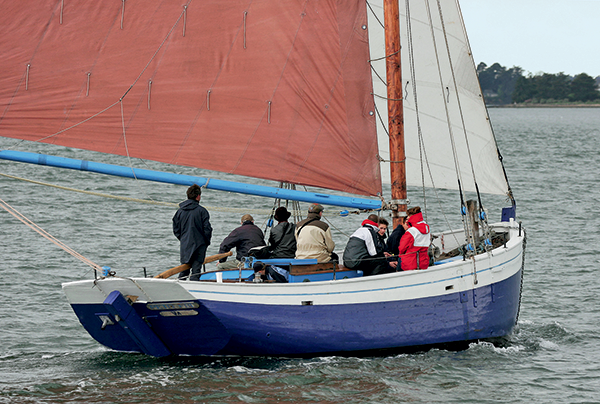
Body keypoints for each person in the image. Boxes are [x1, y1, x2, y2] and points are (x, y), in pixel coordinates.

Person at [172, 184, 212, 281]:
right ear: (198, 196)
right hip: (199, 245)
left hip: (186, 244)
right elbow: (207, 229)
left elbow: (176, 229)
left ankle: (180, 287)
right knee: (196, 270)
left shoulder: (180, 212)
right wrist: (206, 242)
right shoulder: (202, 211)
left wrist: (183, 238)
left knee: (184, 269)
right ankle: (194, 289)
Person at [398, 206, 431, 271]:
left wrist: (401, 254)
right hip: (423, 262)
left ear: (412, 217)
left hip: (409, 263)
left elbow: (402, 247)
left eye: (409, 216)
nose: (407, 217)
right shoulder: (427, 228)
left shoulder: (412, 231)